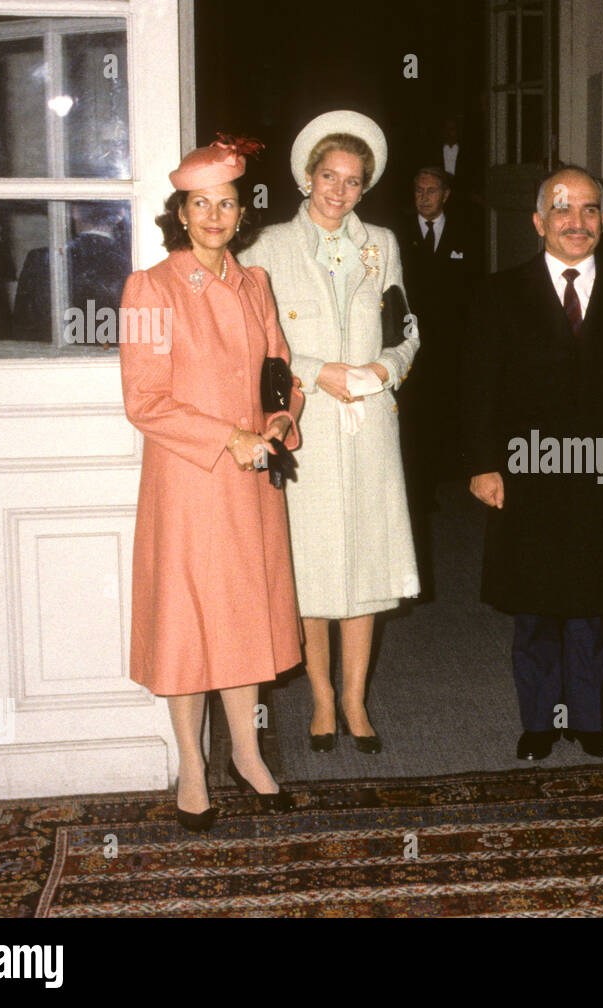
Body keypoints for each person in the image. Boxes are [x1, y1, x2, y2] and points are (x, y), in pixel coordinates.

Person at [119, 137, 303, 831]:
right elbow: (145, 401)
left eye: (228, 203)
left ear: (241, 212)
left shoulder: (255, 284)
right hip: (191, 484)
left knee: (243, 619)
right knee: (189, 624)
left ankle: (248, 756)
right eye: (202, 204)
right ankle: (192, 767)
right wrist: (231, 439)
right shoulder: (147, 288)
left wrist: (282, 421)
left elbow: (278, 372)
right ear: (182, 212)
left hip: (253, 484)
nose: (216, 215)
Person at [462, 165, 603, 761]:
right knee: (536, 604)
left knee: (594, 605)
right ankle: (538, 722)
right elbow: (477, 388)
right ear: (537, 221)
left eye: (589, 210)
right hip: (526, 472)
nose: (576, 222)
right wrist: (481, 463)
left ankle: (589, 718)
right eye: (562, 209)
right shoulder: (498, 293)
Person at [241, 111, 420, 757]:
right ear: (307, 177)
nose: (338, 192)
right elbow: (261, 344)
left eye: (352, 182)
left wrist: (383, 369)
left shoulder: (384, 245)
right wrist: (321, 374)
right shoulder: (268, 248)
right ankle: (319, 697)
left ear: (364, 188)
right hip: (306, 427)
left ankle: (355, 699)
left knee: (367, 566)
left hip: (370, 428)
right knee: (313, 567)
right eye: (328, 177)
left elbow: (406, 330)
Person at [397, 166, 481, 511]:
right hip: (409, 337)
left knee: (449, 406)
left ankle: (453, 476)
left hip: (451, 338)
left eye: (432, 191)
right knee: (415, 412)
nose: (424, 197)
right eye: (419, 190)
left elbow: (474, 286)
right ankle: (419, 486)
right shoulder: (398, 234)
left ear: (446, 195)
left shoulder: (467, 231)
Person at [14, 202, 132, 348]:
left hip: (52, 365)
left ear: (74, 212)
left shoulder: (40, 259)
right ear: (121, 214)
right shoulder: (134, 262)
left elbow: (22, 331)